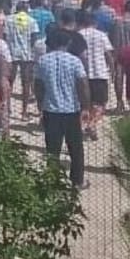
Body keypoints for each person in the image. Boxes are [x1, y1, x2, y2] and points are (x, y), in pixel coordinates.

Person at [34, 29, 90, 188]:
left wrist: (40, 103)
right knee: (76, 148)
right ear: (67, 43)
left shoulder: (43, 61)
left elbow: (38, 84)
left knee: (52, 149)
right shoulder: (74, 61)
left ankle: (52, 180)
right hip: (71, 110)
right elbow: (83, 84)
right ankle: (77, 180)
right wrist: (85, 106)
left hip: (51, 110)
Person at [76, 11, 113, 141]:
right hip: (100, 73)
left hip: (83, 74)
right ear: (95, 23)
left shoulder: (78, 35)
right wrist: (112, 69)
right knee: (101, 104)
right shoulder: (101, 35)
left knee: (84, 104)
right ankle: (92, 124)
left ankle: (81, 126)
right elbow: (108, 54)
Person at [6, 2, 40, 120]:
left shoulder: (9, 20)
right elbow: (34, 39)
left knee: (9, 81)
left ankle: (8, 108)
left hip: (12, 53)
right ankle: (24, 112)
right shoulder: (31, 21)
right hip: (27, 55)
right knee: (26, 83)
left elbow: (5, 36)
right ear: (26, 9)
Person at [109, 0, 130, 113]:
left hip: (118, 51)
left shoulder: (116, 21)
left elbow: (111, 37)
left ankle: (119, 102)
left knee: (118, 78)